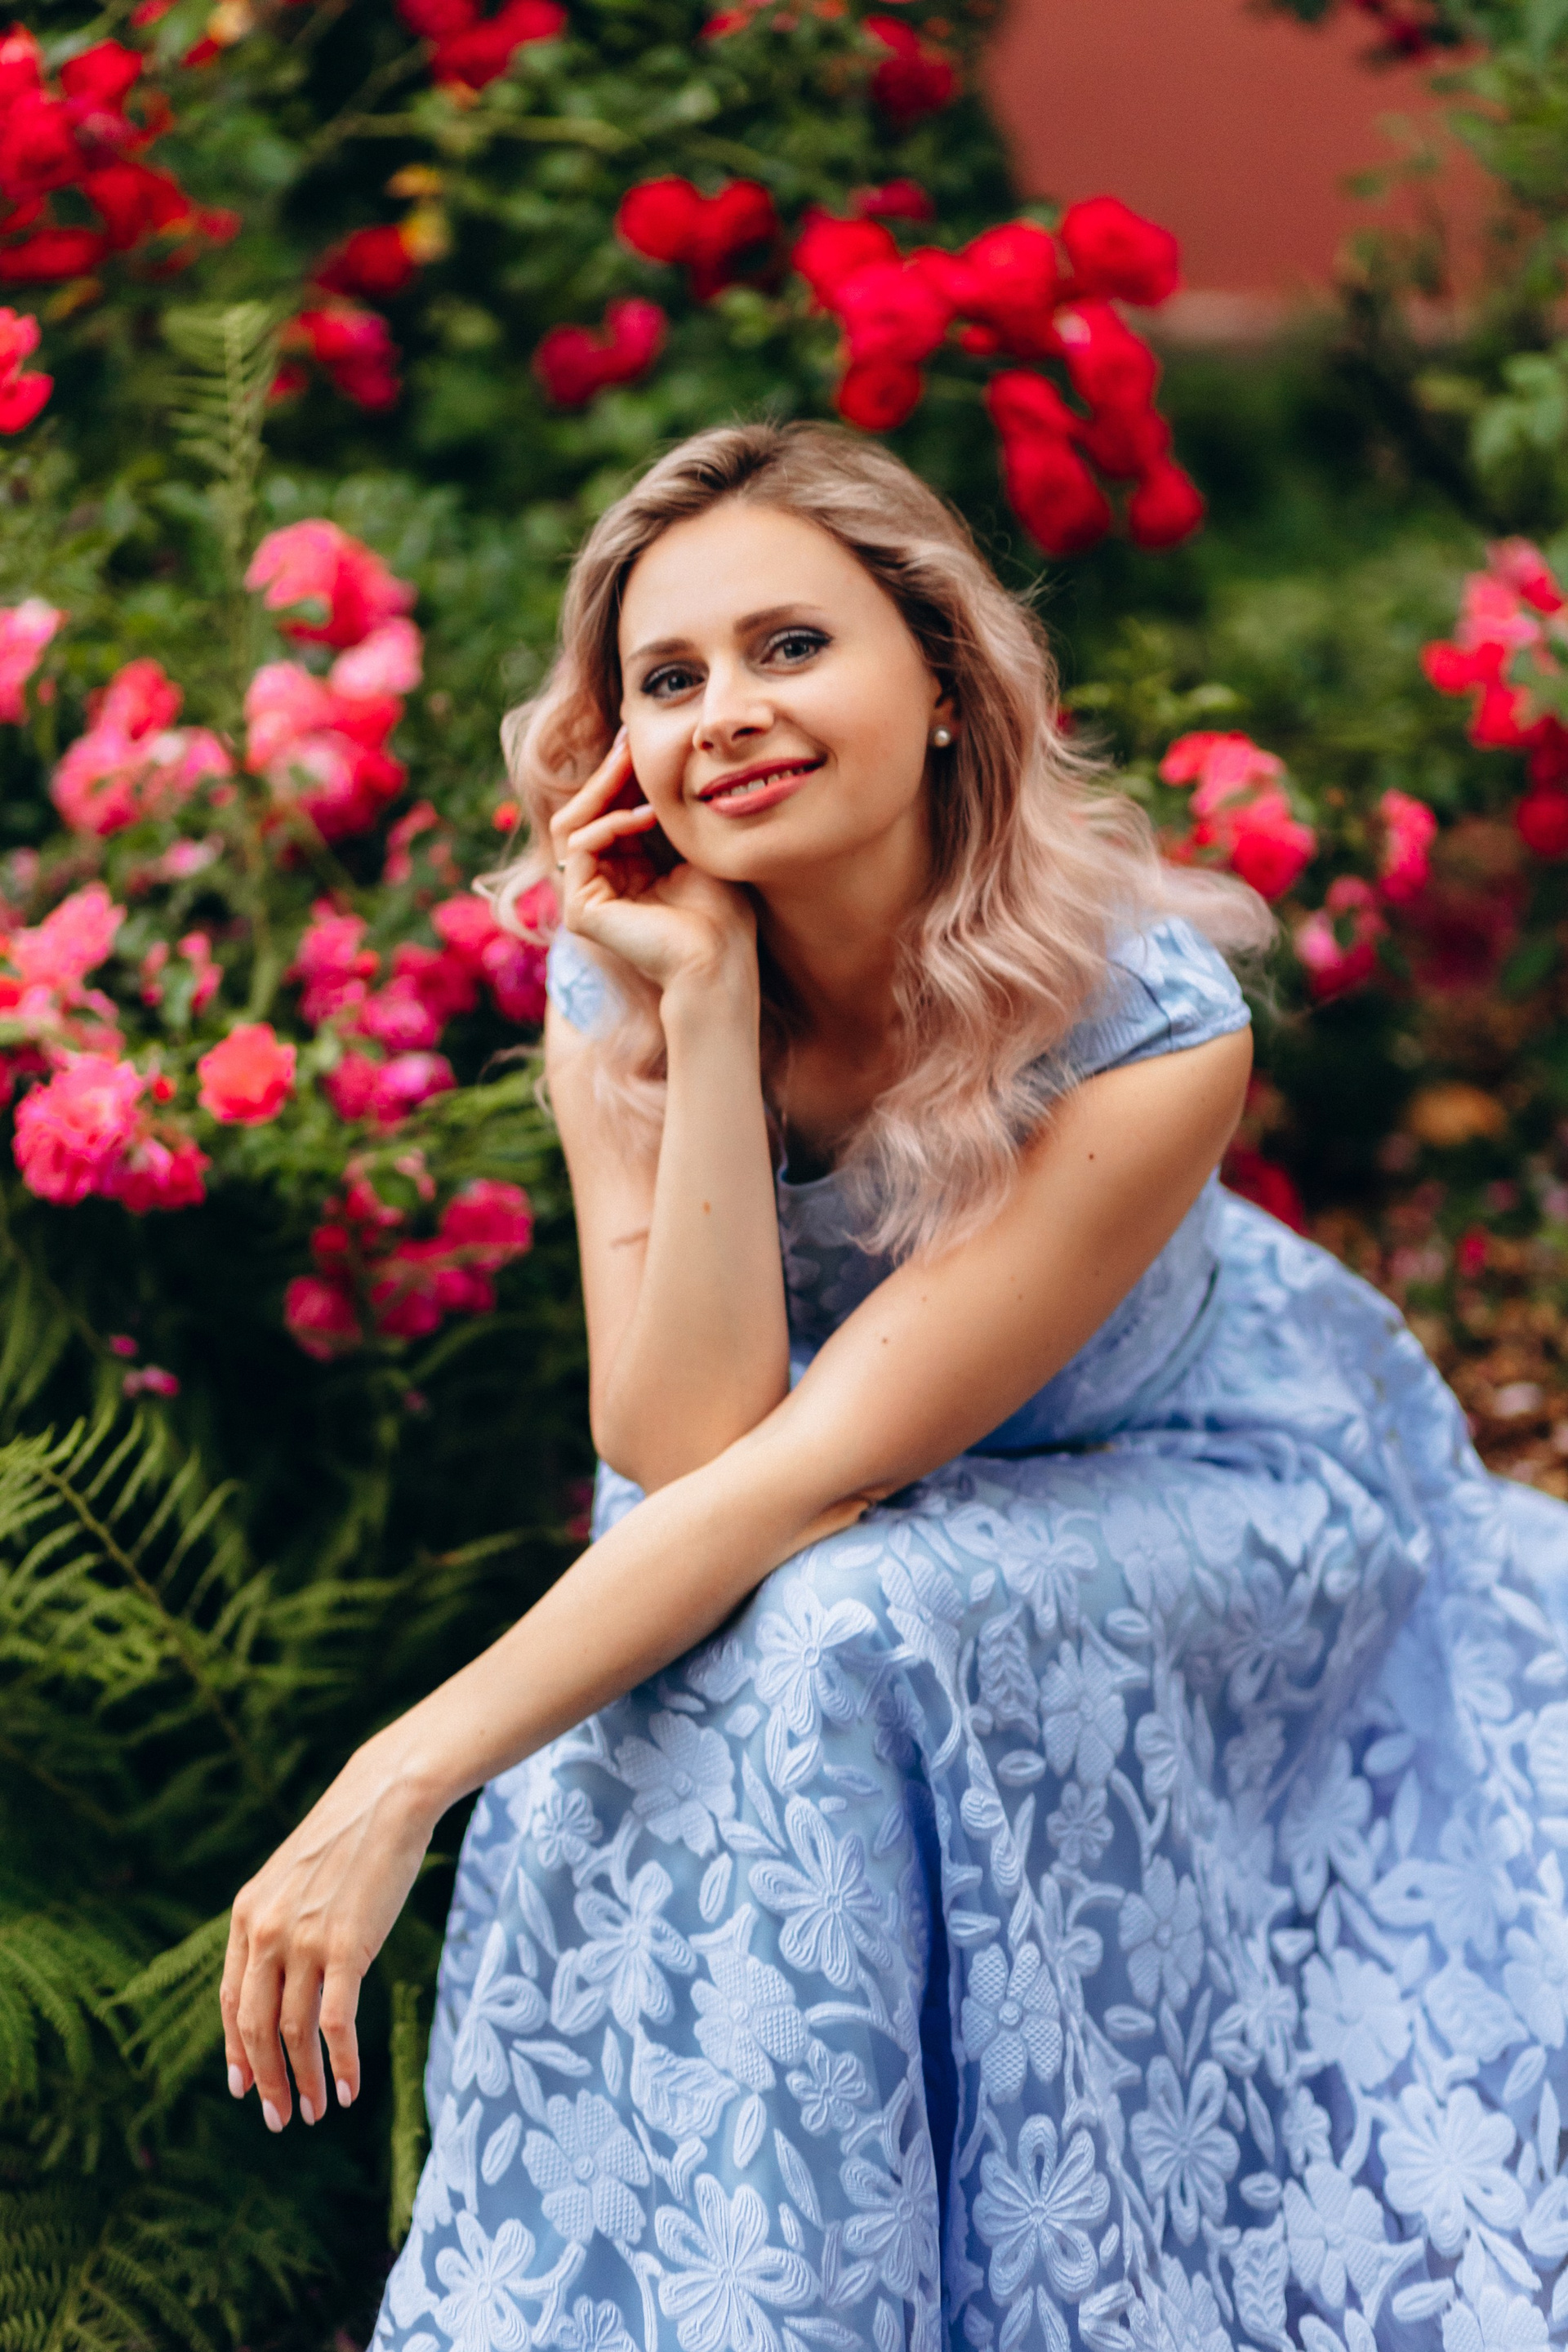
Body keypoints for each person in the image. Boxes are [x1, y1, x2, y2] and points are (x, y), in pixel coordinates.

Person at [222, 423, 1568, 2352]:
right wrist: (701, 1015)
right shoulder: (625, 992)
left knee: (836, 1620)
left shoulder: (1144, 1023)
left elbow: (811, 1476)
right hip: (818, 1499)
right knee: (697, 1661)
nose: (727, 712)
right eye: (668, 679)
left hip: (1205, 1482)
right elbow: (681, 1445)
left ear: (941, 678)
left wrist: (401, 1775)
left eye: (791, 646)